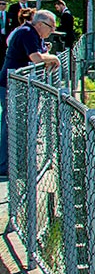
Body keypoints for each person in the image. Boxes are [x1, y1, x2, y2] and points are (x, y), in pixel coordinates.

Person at [0, 10, 61, 179]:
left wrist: (46, 54)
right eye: (51, 28)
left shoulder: (32, 34)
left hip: (17, 85)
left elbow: (40, 53)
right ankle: (5, 165)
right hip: (10, 85)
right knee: (11, 124)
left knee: (19, 124)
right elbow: (36, 58)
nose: (51, 32)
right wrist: (53, 58)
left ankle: (17, 164)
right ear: (40, 24)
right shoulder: (27, 33)